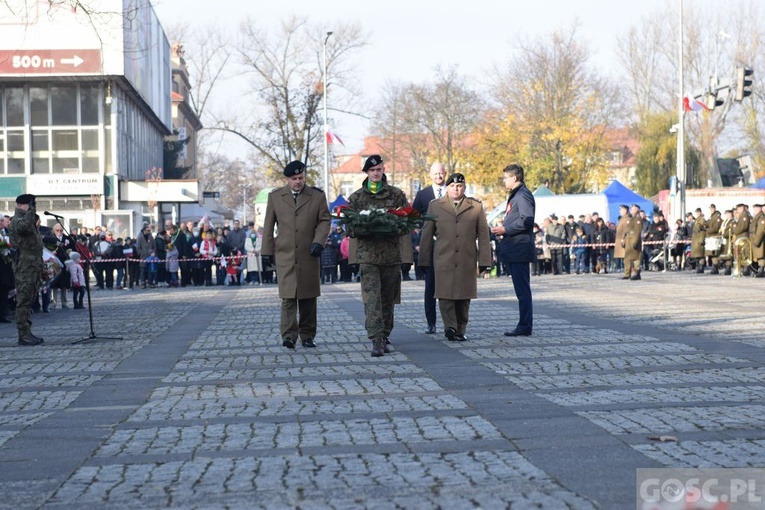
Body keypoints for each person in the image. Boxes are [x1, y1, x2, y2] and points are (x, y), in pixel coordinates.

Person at [261, 160, 331, 350]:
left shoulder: (316, 196)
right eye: (294, 179)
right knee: (288, 297)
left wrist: (319, 241)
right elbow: (268, 226)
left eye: (301, 178)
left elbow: (325, 221)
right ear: (288, 179)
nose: (298, 181)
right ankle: (289, 335)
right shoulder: (276, 197)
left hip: (309, 253)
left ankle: (308, 335)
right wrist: (266, 251)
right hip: (285, 254)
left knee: (308, 297)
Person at [346, 155, 410, 356]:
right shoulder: (356, 198)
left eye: (379, 169)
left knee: (388, 298)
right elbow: (350, 228)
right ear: (366, 172)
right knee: (372, 299)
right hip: (368, 257)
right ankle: (376, 339)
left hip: (391, 255)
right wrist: (366, 227)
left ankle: (386, 333)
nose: (376, 173)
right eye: (372, 170)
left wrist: (392, 225)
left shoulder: (396, 195)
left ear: (383, 171)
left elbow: (408, 221)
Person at [418, 173, 491, 341]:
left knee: (464, 297)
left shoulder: (475, 207)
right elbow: (427, 235)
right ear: (447, 188)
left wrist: (485, 260)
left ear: (464, 187)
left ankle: (460, 329)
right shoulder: (435, 206)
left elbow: (483, 235)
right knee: (445, 295)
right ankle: (449, 326)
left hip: (467, 258)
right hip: (443, 257)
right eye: (452, 186)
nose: (456, 189)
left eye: (459, 186)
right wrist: (423, 260)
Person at [491, 164, 535, 337]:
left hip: (520, 248)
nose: (504, 181)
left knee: (523, 290)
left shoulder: (523, 195)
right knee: (521, 290)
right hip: (515, 248)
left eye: (506, 178)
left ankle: (525, 325)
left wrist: (506, 230)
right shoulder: (516, 195)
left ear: (514, 178)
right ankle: (524, 324)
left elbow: (527, 221)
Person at [412, 162, 447, 334]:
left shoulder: (453, 191)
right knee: (430, 286)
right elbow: (413, 215)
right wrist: (423, 228)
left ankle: (452, 322)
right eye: (435, 173)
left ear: (445, 173)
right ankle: (431, 322)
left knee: (449, 285)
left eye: (441, 173)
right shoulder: (423, 194)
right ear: (430, 175)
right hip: (431, 246)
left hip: (450, 245)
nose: (438, 176)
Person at [9, 194, 45, 346]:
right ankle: (23, 334)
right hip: (24, 266)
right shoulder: (16, 220)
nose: (32, 207)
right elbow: (23, 227)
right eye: (30, 204)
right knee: (23, 300)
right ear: (21, 205)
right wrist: (31, 211)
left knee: (29, 299)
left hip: (33, 266)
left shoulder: (30, 221)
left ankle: (28, 331)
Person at [622, 204, 644, 280]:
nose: (631, 210)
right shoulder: (632, 218)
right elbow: (627, 230)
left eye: (632, 209)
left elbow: (637, 231)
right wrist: (624, 239)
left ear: (636, 209)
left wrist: (635, 242)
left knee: (636, 257)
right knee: (628, 257)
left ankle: (637, 273)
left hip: (633, 240)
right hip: (629, 240)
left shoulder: (637, 218)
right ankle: (627, 274)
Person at [705, 204, 724, 274]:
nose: (711, 210)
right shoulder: (711, 217)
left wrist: (706, 230)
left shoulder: (717, 217)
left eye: (712, 208)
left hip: (715, 237)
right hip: (711, 238)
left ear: (714, 209)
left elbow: (715, 228)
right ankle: (714, 267)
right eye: (710, 208)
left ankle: (715, 267)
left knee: (715, 253)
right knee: (712, 254)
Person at [690, 207, 707, 273]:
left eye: (698, 212)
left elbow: (703, 231)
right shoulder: (697, 220)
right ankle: (698, 267)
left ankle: (701, 268)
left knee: (701, 255)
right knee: (697, 255)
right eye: (696, 212)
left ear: (700, 212)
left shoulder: (702, 220)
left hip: (699, 239)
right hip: (695, 240)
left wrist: (701, 240)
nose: (697, 213)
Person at [613, 204, 629, 273]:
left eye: (621, 210)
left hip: (624, 240)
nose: (620, 211)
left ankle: (628, 272)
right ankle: (627, 272)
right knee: (624, 258)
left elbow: (626, 229)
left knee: (626, 257)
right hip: (620, 240)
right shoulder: (622, 219)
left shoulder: (626, 219)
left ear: (625, 210)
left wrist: (623, 239)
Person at [750, 203, 765, 277]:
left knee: (760, 255)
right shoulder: (756, 217)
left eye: (756, 208)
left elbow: (760, 230)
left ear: (760, 209)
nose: (755, 210)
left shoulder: (761, 217)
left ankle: (761, 270)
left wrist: (757, 241)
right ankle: (758, 270)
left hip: (759, 239)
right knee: (757, 255)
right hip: (754, 239)